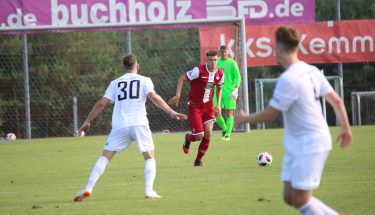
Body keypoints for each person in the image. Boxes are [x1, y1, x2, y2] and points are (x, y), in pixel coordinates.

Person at [235, 26, 352, 215]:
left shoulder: (288, 79)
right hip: (298, 144)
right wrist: (345, 128)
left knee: (301, 199)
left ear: (279, 50)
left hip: (311, 143)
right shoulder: (312, 71)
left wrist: (244, 118)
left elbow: (270, 114)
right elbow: (337, 101)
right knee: (290, 195)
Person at [73, 53, 187, 201]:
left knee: (105, 157)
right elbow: (154, 97)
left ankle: (88, 187)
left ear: (123, 67)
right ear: (137, 66)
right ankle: (148, 190)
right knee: (149, 157)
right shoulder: (145, 80)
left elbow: (101, 103)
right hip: (139, 123)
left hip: (120, 125)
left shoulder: (115, 83)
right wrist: (171, 112)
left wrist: (87, 121)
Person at [168, 50, 224, 167]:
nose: (213, 62)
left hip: (208, 106)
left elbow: (219, 88)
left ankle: (198, 161)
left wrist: (218, 105)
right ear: (206, 60)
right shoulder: (199, 71)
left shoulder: (220, 73)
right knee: (199, 136)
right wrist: (178, 95)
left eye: (215, 60)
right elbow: (181, 79)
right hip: (195, 107)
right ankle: (188, 138)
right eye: (210, 60)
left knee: (208, 133)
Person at [213, 45, 241, 141]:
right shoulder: (216, 62)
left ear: (228, 52)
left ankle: (227, 135)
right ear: (219, 52)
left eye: (225, 52)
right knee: (215, 112)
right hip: (217, 91)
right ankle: (224, 129)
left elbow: (237, 77)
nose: (224, 53)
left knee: (229, 113)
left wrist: (236, 89)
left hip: (229, 92)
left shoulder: (232, 63)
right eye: (222, 52)